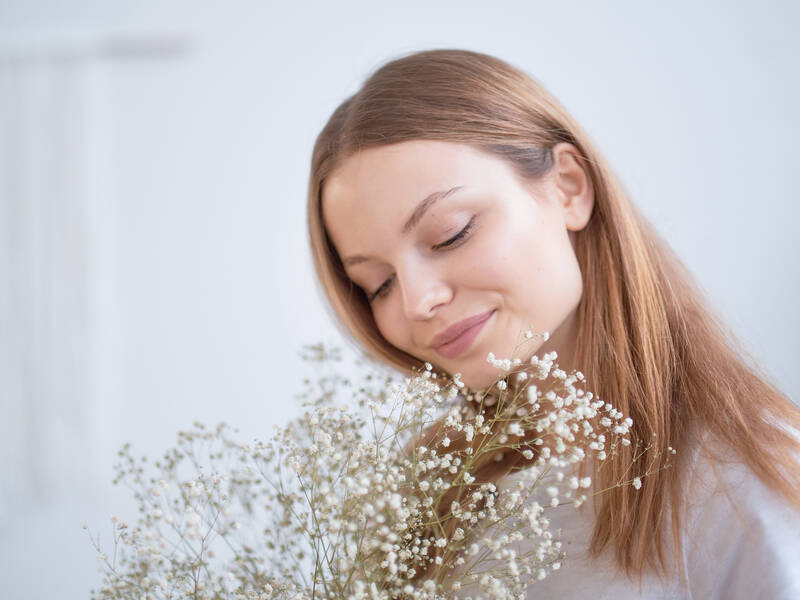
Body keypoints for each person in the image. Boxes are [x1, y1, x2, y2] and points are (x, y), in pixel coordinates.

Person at [305, 48, 800, 597]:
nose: (417, 301)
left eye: (452, 233)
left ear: (568, 187)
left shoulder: (744, 483)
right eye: (379, 284)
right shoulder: (426, 490)